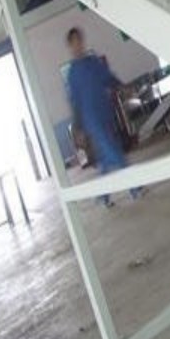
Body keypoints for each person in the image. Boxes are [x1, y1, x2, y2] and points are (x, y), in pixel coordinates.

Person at [65, 28, 142, 207]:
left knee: (106, 159)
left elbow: (109, 78)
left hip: (105, 113)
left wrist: (123, 87)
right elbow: (75, 102)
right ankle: (135, 187)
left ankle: (103, 196)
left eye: (79, 40)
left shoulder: (93, 62)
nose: (78, 45)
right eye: (74, 42)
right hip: (91, 120)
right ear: (70, 46)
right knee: (115, 152)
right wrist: (78, 127)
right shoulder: (73, 73)